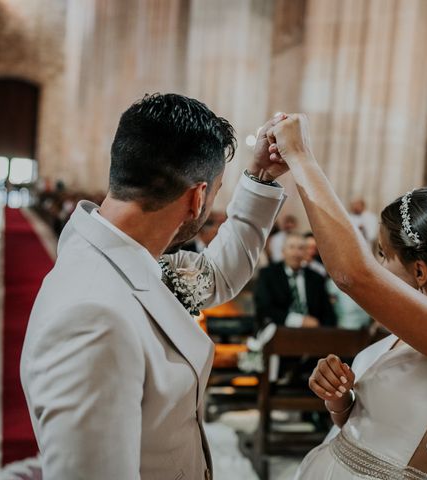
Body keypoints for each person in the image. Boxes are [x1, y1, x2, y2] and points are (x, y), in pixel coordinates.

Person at [20, 94, 288, 479]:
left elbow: (218, 273)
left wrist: (260, 178)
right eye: (215, 191)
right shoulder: (94, 317)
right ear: (197, 198)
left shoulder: (120, 254)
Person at [265, 114, 427, 479]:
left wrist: (300, 156)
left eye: (382, 254)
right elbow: (375, 426)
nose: (377, 265)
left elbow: (352, 275)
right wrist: (340, 399)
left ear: (421, 272)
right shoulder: (416, 329)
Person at [254, 232, 336, 329]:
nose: (296, 253)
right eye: (291, 247)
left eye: (300, 248)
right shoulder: (268, 274)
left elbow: (327, 313)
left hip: (311, 333)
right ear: (283, 251)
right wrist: (299, 321)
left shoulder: (316, 278)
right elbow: (264, 308)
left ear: (305, 253)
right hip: (279, 330)